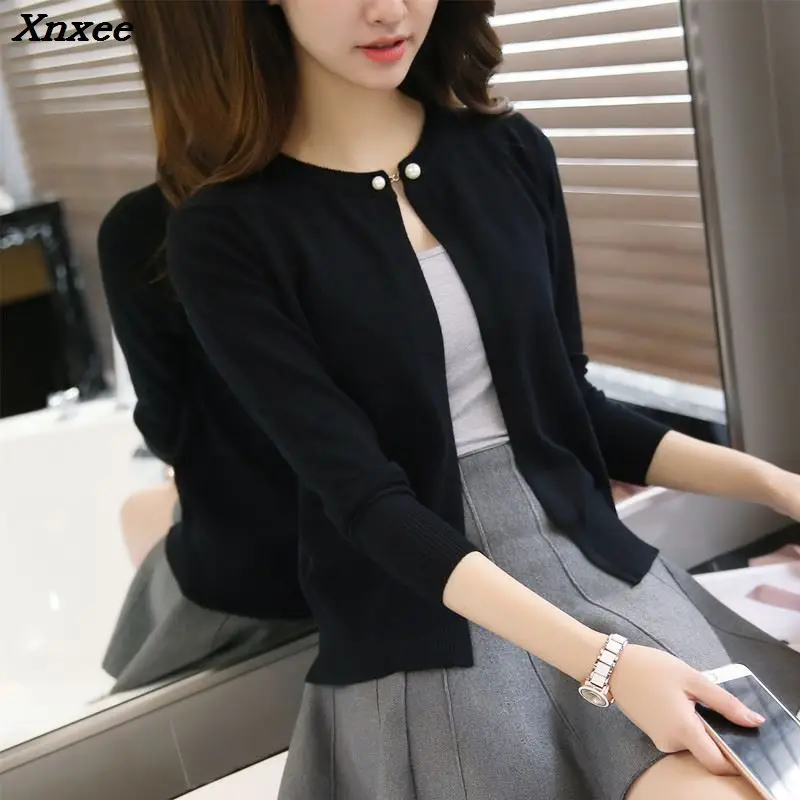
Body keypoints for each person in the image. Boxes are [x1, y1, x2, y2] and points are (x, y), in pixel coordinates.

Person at [117, 0, 800, 797]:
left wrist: (775, 484)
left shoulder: (509, 151)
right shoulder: (225, 232)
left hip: (592, 557)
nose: (389, 9)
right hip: (429, 604)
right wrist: (609, 666)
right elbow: (366, 502)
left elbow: (574, 408)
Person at [97, 181, 315, 693]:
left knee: (140, 518)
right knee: (141, 513)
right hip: (409, 536)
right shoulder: (353, 185)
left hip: (265, 574)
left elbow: (166, 426)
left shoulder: (148, 225)